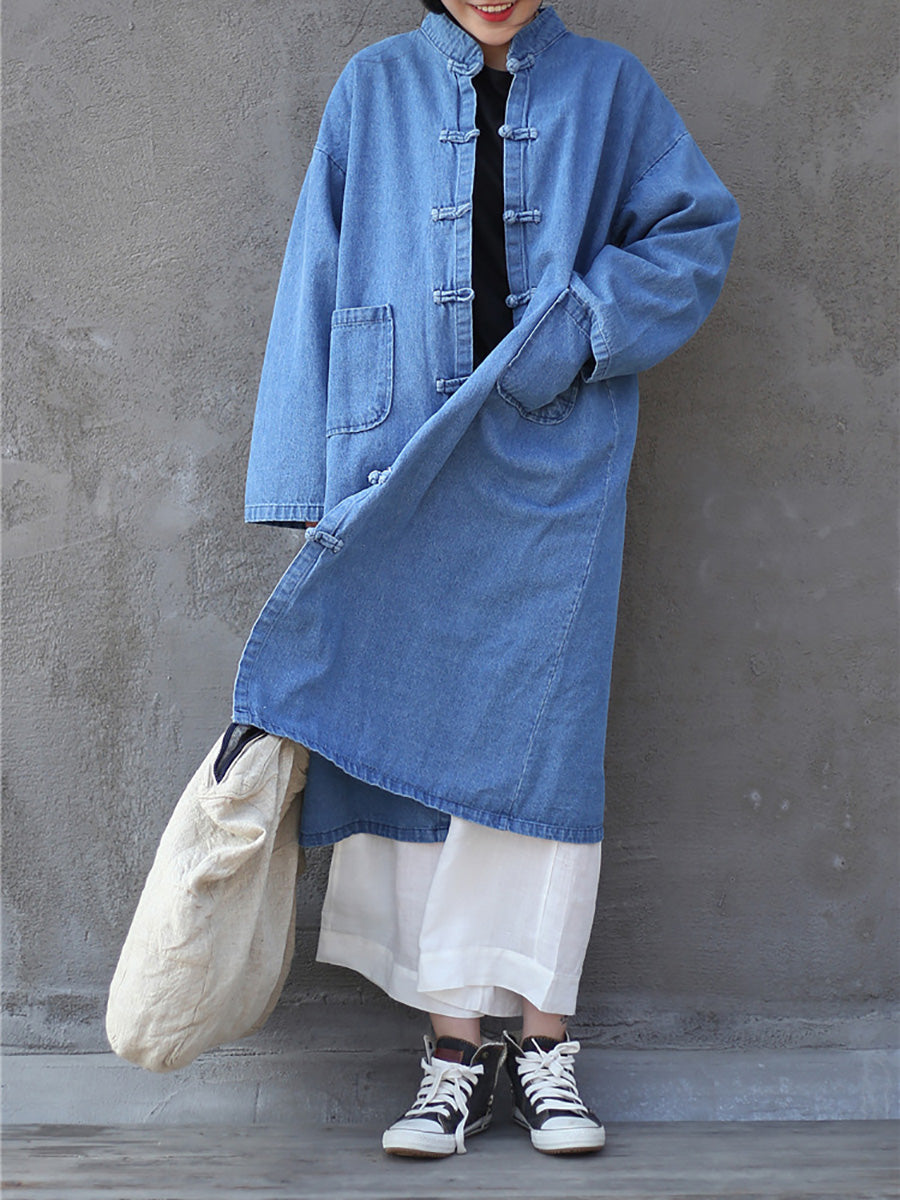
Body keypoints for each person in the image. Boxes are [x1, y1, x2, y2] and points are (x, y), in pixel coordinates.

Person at [225, 0, 739, 1160]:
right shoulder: (371, 87)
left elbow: (696, 227)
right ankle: (453, 1056)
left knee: (542, 751)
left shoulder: (612, 88)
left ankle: (546, 1046)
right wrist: (301, 479)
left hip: (556, 470)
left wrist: (587, 325)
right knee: (404, 740)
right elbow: (315, 270)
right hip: (395, 456)